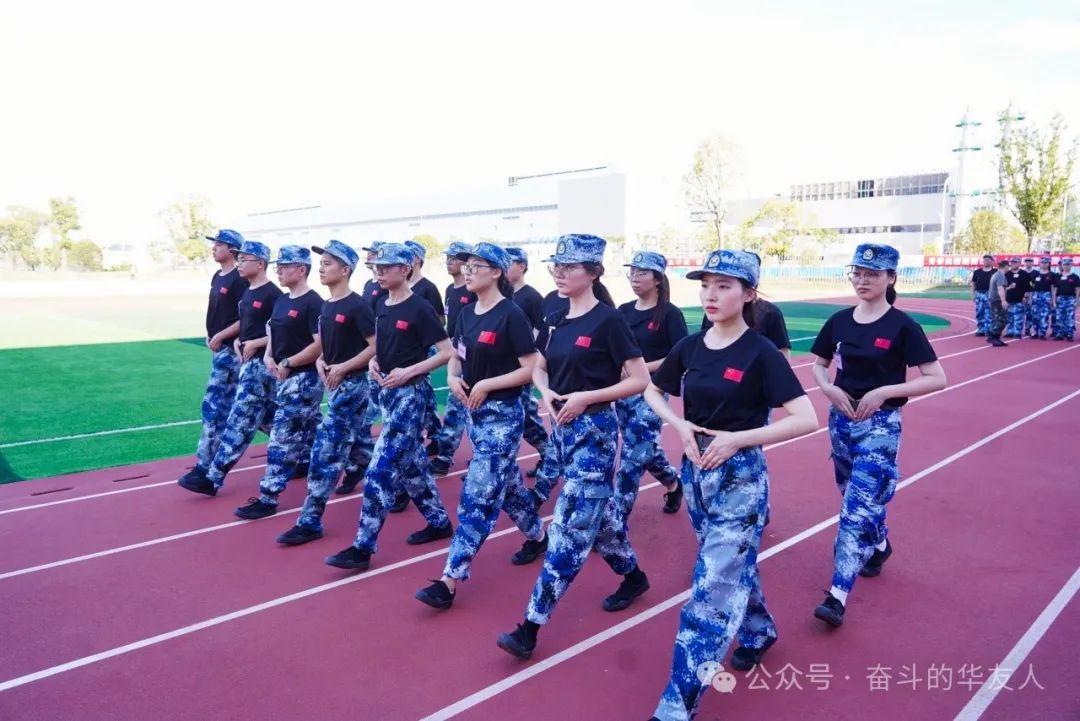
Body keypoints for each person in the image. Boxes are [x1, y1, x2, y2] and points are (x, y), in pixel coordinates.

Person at [644, 249, 818, 721]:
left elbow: (805, 417)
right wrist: (678, 425)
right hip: (696, 472)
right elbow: (652, 390)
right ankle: (759, 631)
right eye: (706, 285)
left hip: (740, 479)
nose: (711, 294)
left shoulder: (761, 353)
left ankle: (676, 706)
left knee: (711, 591)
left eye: (724, 286)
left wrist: (739, 438)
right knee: (728, 566)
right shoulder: (691, 346)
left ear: (748, 294)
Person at [496, 233, 651, 660]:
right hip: (563, 431)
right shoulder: (555, 317)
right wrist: (546, 392)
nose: (559, 274)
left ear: (594, 272)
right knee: (601, 521)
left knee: (567, 528)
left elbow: (639, 380)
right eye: (556, 266)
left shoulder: (609, 321)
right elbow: (540, 367)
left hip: (594, 433)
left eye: (569, 267)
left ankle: (530, 626)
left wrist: (587, 397)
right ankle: (634, 577)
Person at [809, 243, 947, 628]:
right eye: (858, 272)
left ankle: (837, 594)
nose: (862, 280)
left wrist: (884, 392)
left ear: (891, 277)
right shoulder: (839, 321)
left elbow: (937, 377)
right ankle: (880, 544)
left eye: (872, 274)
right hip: (841, 420)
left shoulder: (902, 326)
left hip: (881, 425)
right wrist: (828, 388)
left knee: (855, 507)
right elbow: (819, 365)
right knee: (851, 494)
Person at [414, 243, 546, 608]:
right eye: (466, 266)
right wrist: (453, 378)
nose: (467, 271)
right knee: (509, 485)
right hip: (475, 414)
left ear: (496, 272)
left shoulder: (511, 315)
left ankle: (450, 578)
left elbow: (531, 368)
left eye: (476, 266)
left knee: (478, 494)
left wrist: (487, 384)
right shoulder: (466, 313)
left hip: (503, 416)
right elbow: (457, 355)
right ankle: (538, 537)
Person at [324, 242, 455, 571]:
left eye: (385, 268)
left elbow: (446, 351)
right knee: (413, 467)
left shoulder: (419, 307)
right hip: (387, 393)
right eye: (376, 268)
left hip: (410, 396)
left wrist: (409, 371)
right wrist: (375, 361)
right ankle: (439, 523)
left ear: (405, 269)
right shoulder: (382, 303)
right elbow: (382, 344)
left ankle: (362, 547)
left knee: (379, 471)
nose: (378, 273)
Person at [261, 240, 378, 543]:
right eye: (322, 263)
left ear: (345, 270)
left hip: (352, 386)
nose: (321, 269)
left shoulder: (357, 306)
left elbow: (374, 346)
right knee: (362, 447)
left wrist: (343, 367)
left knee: (325, 453)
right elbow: (326, 344)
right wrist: (322, 361)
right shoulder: (328, 306)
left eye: (328, 264)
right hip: (334, 386)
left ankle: (310, 521)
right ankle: (397, 478)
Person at [178, 240, 282, 496]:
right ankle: (303, 454)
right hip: (245, 363)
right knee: (267, 417)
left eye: (244, 259)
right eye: (240, 258)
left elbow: (283, 333)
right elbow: (247, 324)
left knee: (241, 418)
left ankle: (210, 475)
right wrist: (238, 339)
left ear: (260, 263)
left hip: (261, 366)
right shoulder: (248, 292)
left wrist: (255, 344)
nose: (239, 263)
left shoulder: (273, 295)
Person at [234, 245, 325, 520]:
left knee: (281, 437)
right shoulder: (283, 300)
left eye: (285, 267)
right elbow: (272, 330)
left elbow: (319, 344)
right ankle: (359, 458)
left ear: (301, 269)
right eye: (278, 266)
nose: (279, 271)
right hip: (282, 377)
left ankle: (269, 496)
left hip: (304, 379)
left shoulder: (313, 302)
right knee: (317, 431)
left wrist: (288, 362)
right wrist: (269, 356)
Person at [178, 228, 249, 488]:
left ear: (232, 250)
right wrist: (212, 334)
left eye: (219, 244)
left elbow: (246, 318)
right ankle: (300, 450)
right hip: (220, 349)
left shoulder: (240, 280)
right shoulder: (218, 276)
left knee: (214, 407)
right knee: (253, 410)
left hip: (232, 351)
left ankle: (204, 466)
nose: (214, 248)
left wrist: (221, 335)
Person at [619, 251, 688, 515]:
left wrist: (641, 369)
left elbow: (678, 354)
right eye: (632, 273)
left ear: (657, 279)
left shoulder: (669, 314)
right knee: (644, 448)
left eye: (642, 273)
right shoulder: (623, 311)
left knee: (633, 455)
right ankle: (673, 483)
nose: (635, 278)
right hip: (623, 392)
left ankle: (615, 519)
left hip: (652, 392)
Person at [335, 241, 388, 497]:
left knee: (386, 424)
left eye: (375, 254)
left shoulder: (391, 292)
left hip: (387, 361)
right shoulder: (368, 286)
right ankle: (364, 463)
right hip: (369, 362)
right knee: (361, 422)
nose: (370, 258)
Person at [430, 241, 478, 477]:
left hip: (474, 357)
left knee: (468, 410)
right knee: (455, 408)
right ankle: (444, 456)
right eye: (447, 258)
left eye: (455, 258)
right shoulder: (450, 290)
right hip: (457, 354)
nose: (449, 262)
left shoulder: (473, 291)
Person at [505, 246, 551, 478]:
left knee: (523, 419)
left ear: (522, 266)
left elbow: (541, 333)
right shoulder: (502, 294)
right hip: (503, 368)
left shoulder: (531, 297)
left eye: (510, 262)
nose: (505, 267)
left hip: (522, 367)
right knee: (524, 419)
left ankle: (550, 456)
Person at [404, 239, 447, 454]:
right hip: (404, 349)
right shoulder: (398, 287)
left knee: (422, 392)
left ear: (417, 259)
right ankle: (429, 434)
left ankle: (432, 436)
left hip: (422, 348)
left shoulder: (427, 288)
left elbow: (440, 319)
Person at [1027, 256, 1054, 340]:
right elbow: (1031, 287)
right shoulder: (1035, 274)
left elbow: (1053, 288)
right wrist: (1030, 298)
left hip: (1046, 295)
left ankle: (1042, 333)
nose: (1043, 264)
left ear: (1048, 264)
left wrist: (1052, 299)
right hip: (1035, 295)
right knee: (1035, 315)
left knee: (1044, 315)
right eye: (1042, 262)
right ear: (1039, 263)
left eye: (1046, 262)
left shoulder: (1052, 275)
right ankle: (1035, 332)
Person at [970, 254, 996, 337]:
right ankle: (981, 329)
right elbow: (973, 284)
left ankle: (989, 330)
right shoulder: (977, 272)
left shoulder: (995, 272)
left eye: (988, 260)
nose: (986, 261)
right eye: (984, 260)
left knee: (990, 313)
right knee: (980, 312)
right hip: (979, 294)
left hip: (991, 294)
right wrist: (973, 294)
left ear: (992, 262)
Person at [1052, 258, 1078, 341]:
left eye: (1068, 264)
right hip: (1060, 298)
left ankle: (1069, 334)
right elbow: (1055, 289)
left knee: (1070, 317)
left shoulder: (1075, 277)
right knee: (1059, 316)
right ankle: (1060, 334)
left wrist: (1076, 301)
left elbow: (1077, 289)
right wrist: (1054, 301)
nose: (1066, 266)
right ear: (1062, 265)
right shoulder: (1058, 276)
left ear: (1071, 265)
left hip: (1070, 298)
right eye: (1064, 264)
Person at [986, 259, 1010, 347]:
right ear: (1006, 266)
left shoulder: (996, 274)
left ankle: (996, 338)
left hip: (994, 300)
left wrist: (1009, 288)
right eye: (1008, 266)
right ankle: (992, 336)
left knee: (997, 319)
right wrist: (1003, 301)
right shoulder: (1000, 275)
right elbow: (1000, 288)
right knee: (1001, 320)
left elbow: (1000, 288)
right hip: (997, 300)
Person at [1004, 257, 1028, 338]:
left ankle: (1017, 332)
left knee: (1018, 317)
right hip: (1008, 299)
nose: (1013, 264)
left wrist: (1025, 296)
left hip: (1019, 299)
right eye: (1012, 262)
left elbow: (1028, 287)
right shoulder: (1007, 274)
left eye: (1015, 262)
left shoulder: (1024, 274)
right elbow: (1003, 287)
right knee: (1009, 317)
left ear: (1019, 263)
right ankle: (1010, 332)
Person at [1021, 257, 1037, 336]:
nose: (1028, 263)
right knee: (1019, 313)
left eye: (1030, 262)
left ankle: (1028, 329)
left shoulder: (1036, 273)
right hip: (1021, 294)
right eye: (1026, 262)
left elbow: (1035, 286)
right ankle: (1017, 329)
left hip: (1031, 294)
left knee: (1030, 313)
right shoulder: (1021, 272)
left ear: (1032, 263)